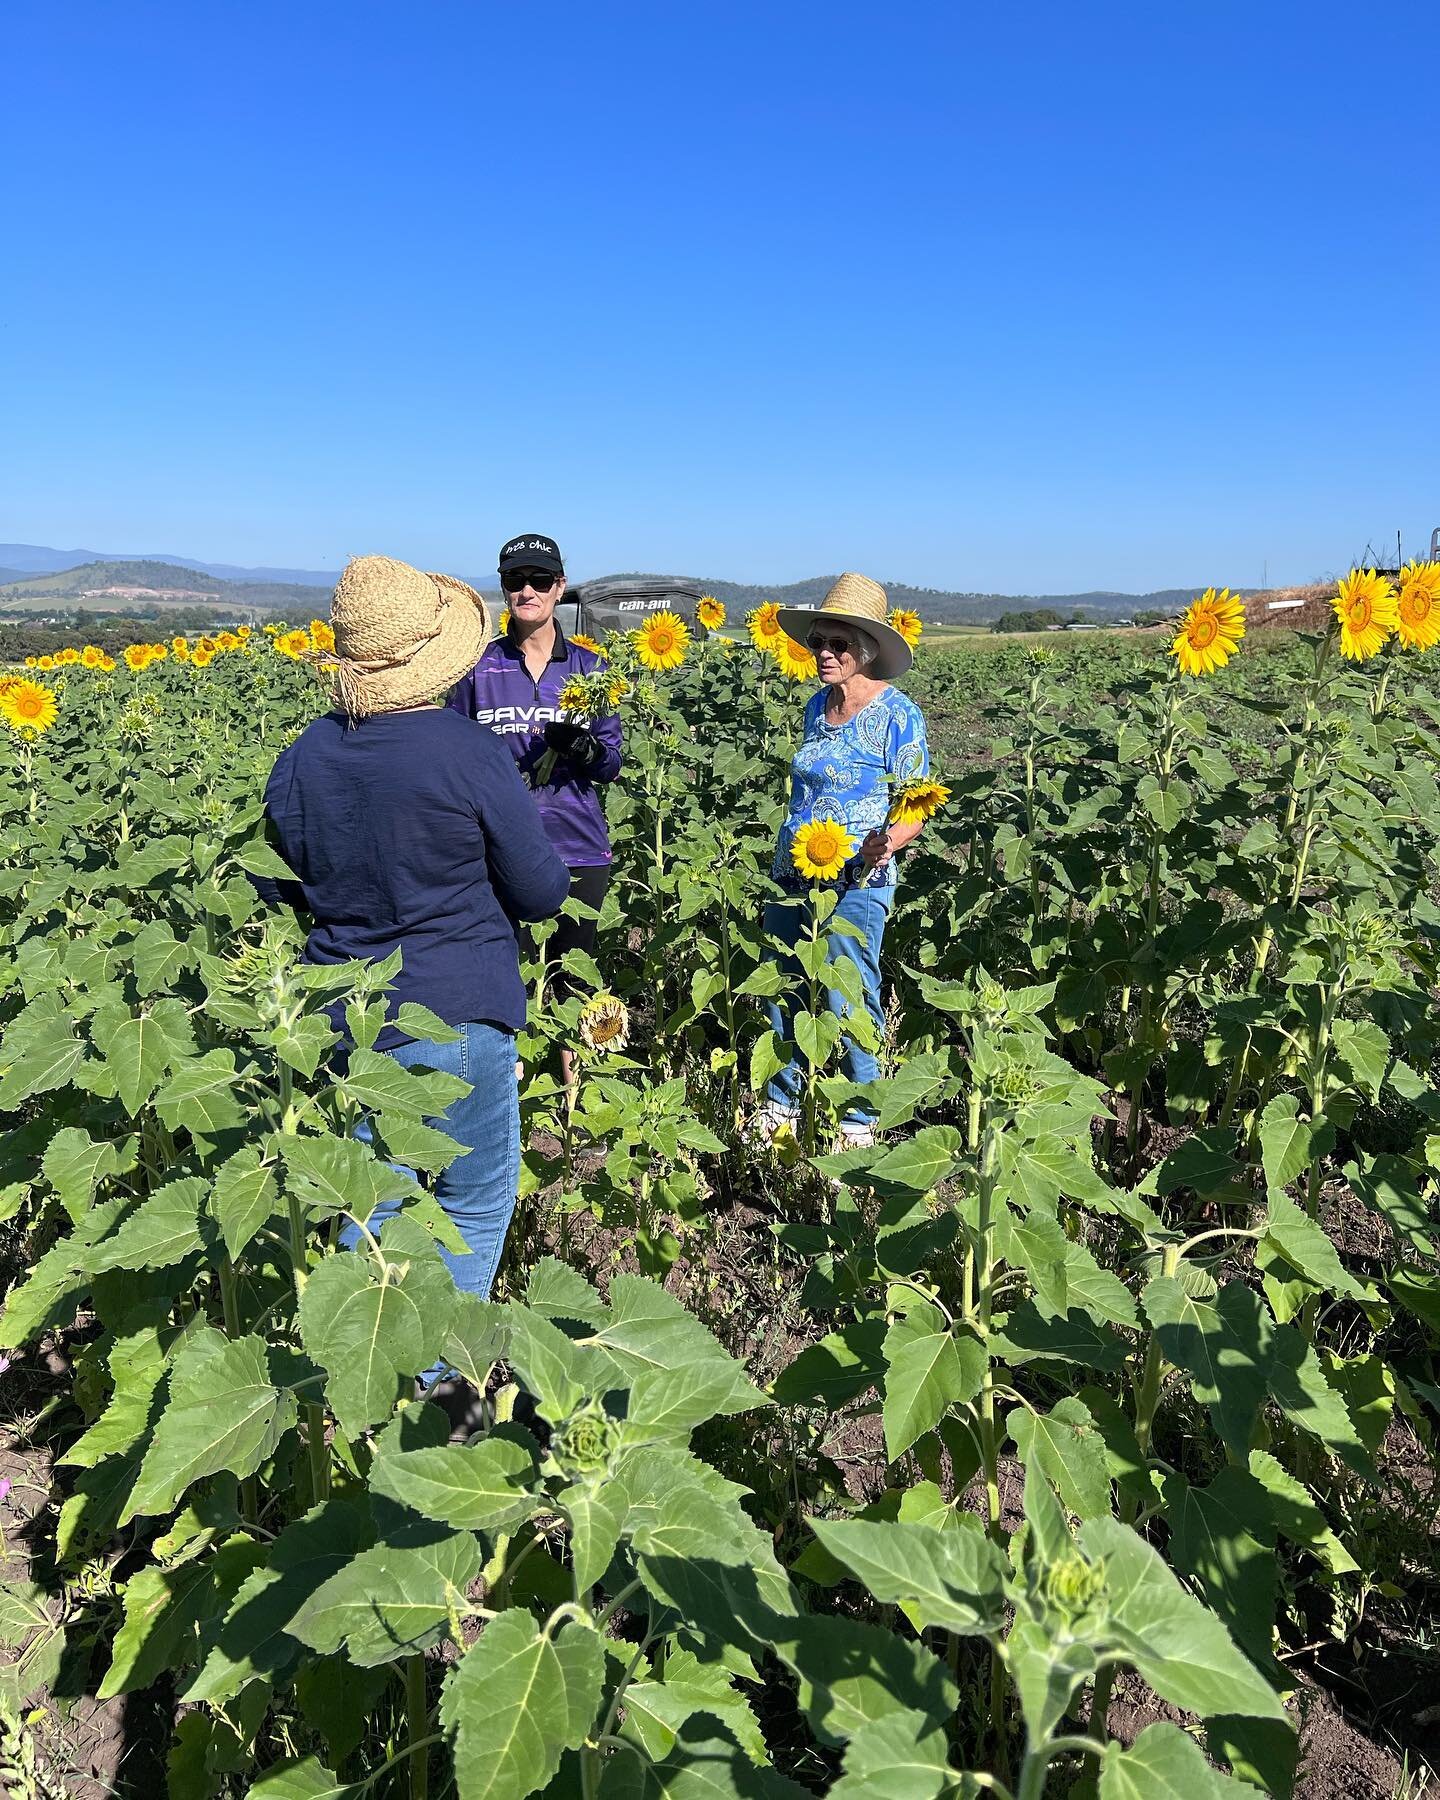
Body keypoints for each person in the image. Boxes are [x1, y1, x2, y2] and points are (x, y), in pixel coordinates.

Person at [254, 555, 569, 1405]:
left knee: (375, 1206)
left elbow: (272, 872)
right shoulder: (466, 752)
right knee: (468, 1203)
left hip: (347, 1020)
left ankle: (368, 1385)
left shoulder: (302, 758)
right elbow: (541, 893)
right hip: (459, 1010)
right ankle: (440, 1392)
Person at [758, 572, 931, 1149]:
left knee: (848, 987)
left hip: (858, 877)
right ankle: (779, 1105)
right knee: (784, 982)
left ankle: (860, 1114)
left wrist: (890, 841)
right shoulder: (815, 707)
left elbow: (916, 801)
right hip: (793, 870)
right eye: (819, 644)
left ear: (867, 650)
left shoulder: (897, 714)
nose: (824, 654)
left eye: (838, 645)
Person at [448, 533, 622, 1081]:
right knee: (510, 972)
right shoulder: (477, 670)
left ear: (559, 588)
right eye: (514, 581)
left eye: (539, 581)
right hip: (499, 846)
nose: (527, 590)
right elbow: (453, 750)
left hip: (577, 841)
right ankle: (514, 1097)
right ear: (503, 589)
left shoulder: (592, 669)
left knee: (575, 978)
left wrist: (587, 750)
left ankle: (574, 1104)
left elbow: (612, 763)